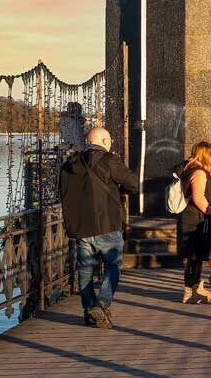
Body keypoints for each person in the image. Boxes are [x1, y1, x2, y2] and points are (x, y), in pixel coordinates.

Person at [59, 126, 138, 328]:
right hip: (107, 223)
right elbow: (134, 184)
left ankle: (89, 309)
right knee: (112, 266)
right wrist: (118, 189)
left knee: (85, 269)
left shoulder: (71, 163)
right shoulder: (109, 160)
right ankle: (102, 304)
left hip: (81, 226)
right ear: (104, 141)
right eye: (109, 140)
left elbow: (63, 191)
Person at [177, 141, 211, 304]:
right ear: (204, 154)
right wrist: (210, 213)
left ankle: (195, 288)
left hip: (191, 218)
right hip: (196, 219)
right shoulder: (199, 173)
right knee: (194, 255)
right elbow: (198, 197)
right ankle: (190, 291)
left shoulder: (191, 169)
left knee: (195, 256)